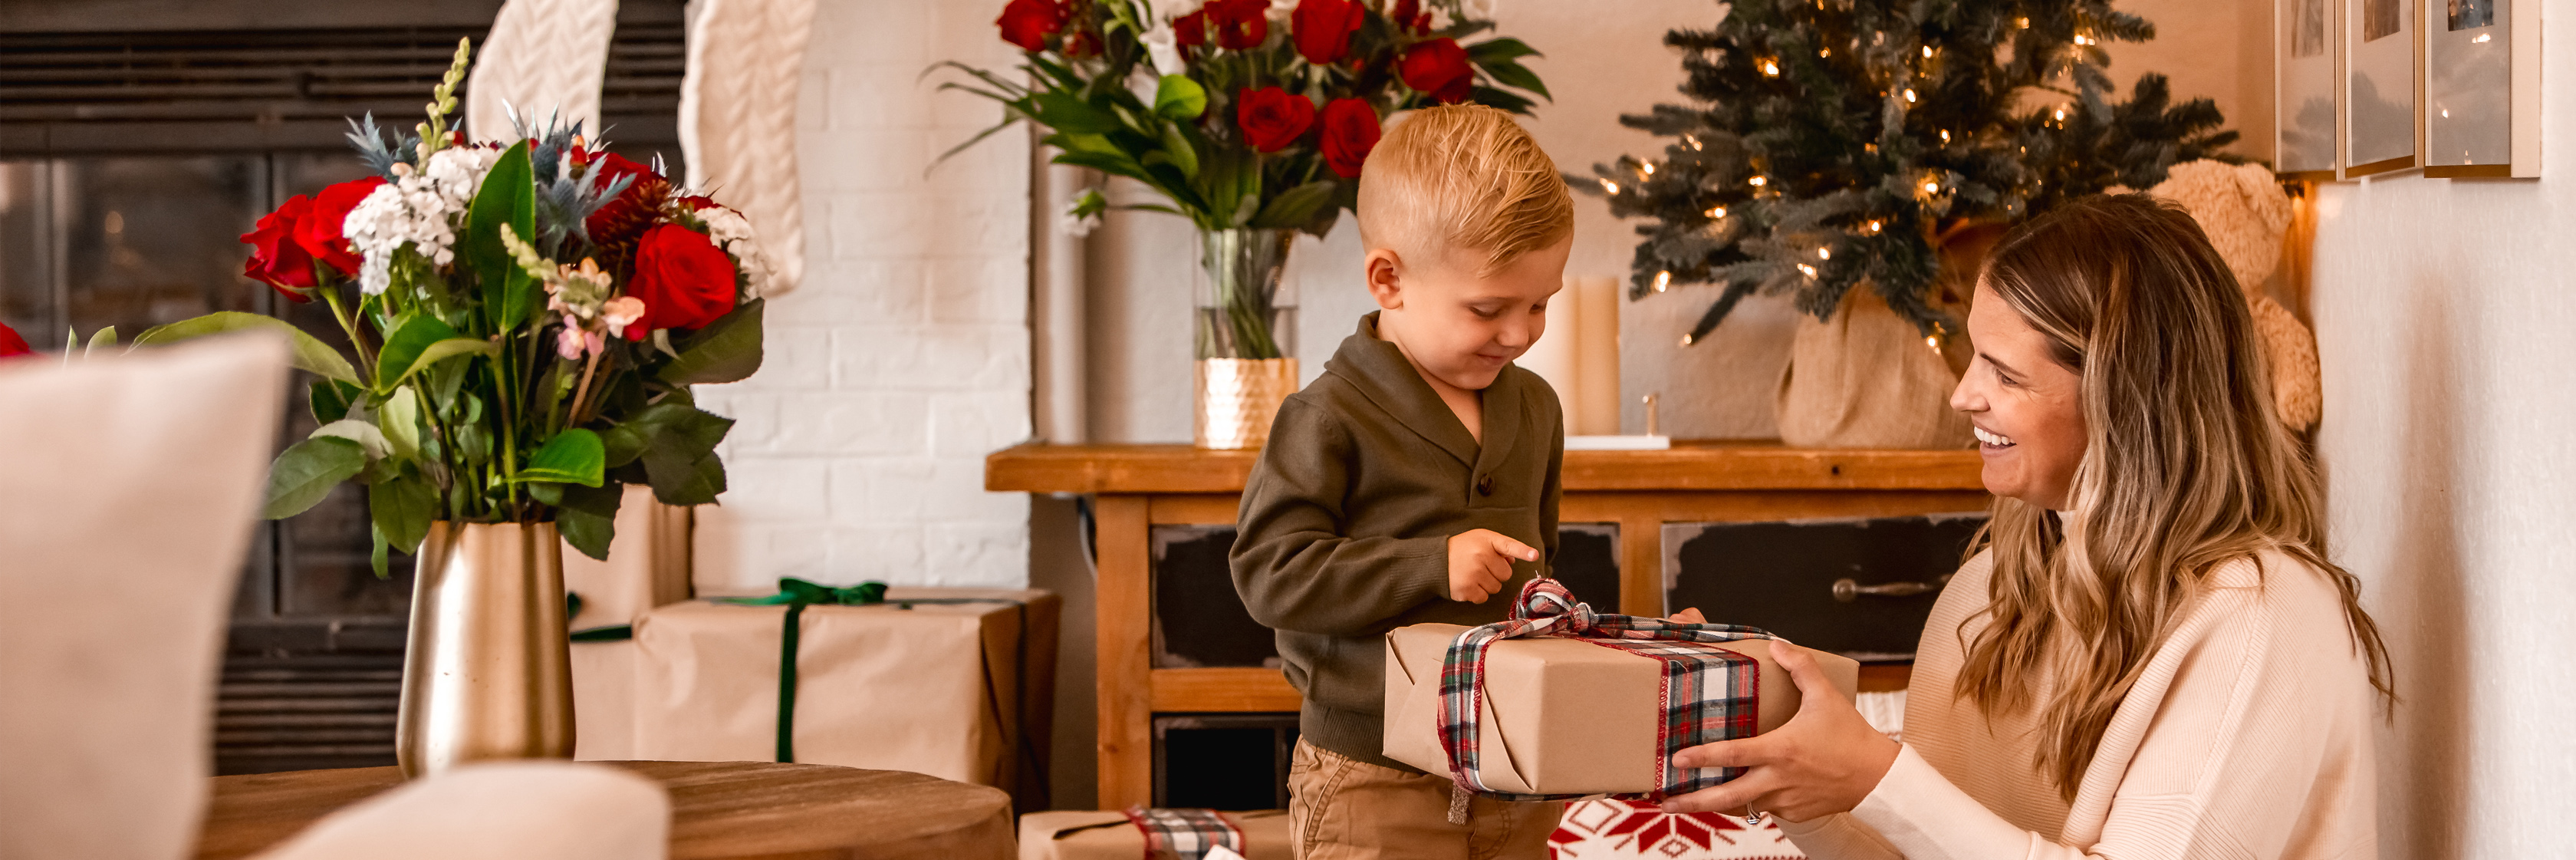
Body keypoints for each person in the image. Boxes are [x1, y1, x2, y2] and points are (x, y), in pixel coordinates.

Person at [1660, 194, 2395, 860]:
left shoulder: (2258, 618)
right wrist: (1797, 774)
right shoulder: (1994, 587)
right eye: (1972, 354)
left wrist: (1878, 776)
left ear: (2124, 400)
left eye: (2003, 374)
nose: (1961, 395)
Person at [1230, 104, 1575, 860]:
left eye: (1539, 304)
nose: (1519, 334)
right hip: (1372, 779)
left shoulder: (1536, 407)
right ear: (1388, 279)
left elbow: (1538, 569)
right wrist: (1429, 562)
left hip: (1513, 770)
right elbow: (1267, 573)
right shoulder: (1324, 417)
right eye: (1488, 309)